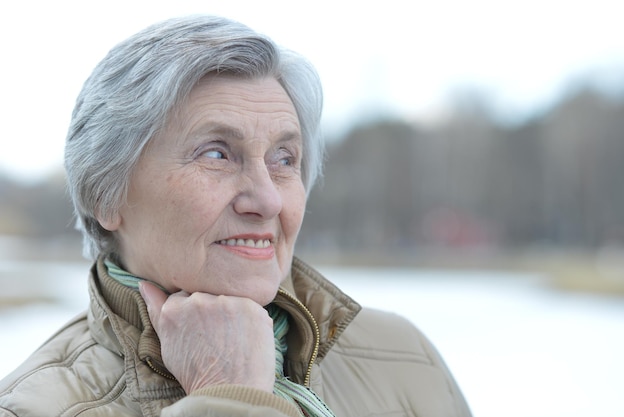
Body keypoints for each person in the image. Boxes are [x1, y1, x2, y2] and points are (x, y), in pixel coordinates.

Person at [0, 15, 472, 417]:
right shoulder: (35, 409)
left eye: (284, 159)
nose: (267, 200)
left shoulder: (406, 357)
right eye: (216, 154)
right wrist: (227, 394)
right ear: (107, 195)